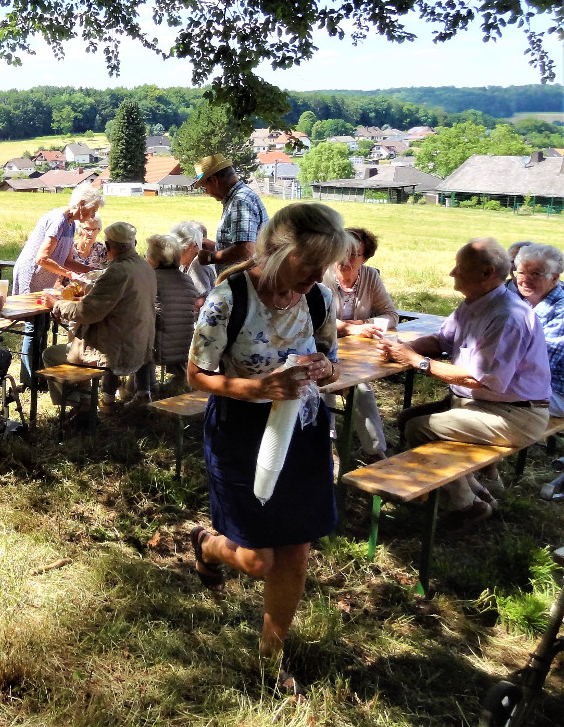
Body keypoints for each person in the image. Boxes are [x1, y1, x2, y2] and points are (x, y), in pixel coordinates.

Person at [187, 202, 349, 700]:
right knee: (259, 560)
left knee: (295, 554)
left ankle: (270, 657)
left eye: (325, 265)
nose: (319, 275)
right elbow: (195, 375)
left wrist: (325, 370)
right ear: (277, 253)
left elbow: (333, 362)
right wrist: (257, 389)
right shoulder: (228, 298)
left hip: (301, 433)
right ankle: (206, 544)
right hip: (241, 432)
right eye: (309, 264)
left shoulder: (320, 298)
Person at [383, 239, 552, 529]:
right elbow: (442, 340)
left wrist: (415, 361)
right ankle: (480, 491)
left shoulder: (507, 316)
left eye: (460, 267)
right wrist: (399, 345)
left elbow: (482, 380)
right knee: (408, 417)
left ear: (486, 273)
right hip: (488, 405)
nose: (451, 272)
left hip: (518, 415)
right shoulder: (476, 302)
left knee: (419, 427)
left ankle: (466, 505)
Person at [42, 222, 156, 413]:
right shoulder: (145, 267)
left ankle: (81, 405)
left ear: (109, 247)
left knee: (51, 354)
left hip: (115, 350)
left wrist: (56, 305)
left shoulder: (117, 271)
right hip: (140, 344)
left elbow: (86, 313)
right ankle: (88, 397)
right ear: (133, 243)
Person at [320, 227, 400, 463]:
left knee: (360, 391)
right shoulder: (321, 275)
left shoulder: (370, 276)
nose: (346, 258)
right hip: (321, 348)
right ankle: (326, 445)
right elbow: (310, 319)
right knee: (326, 388)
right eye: (343, 251)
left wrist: (364, 323)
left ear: (365, 258)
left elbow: (391, 316)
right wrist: (347, 328)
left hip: (355, 355)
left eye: (354, 254)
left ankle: (373, 451)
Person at [12, 184, 105, 385]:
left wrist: (92, 272)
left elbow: (67, 259)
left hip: (44, 277)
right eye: (93, 209)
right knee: (33, 325)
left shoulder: (71, 224)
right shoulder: (58, 220)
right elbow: (42, 258)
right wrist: (69, 274)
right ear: (81, 204)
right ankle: (30, 379)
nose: (93, 214)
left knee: (43, 325)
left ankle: (39, 375)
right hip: (32, 275)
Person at [508, 243, 563, 417]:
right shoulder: (525, 303)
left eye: (535, 274)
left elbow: (540, 362)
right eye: (521, 272)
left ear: (554, 278)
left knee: (480, 395)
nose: (525, 279)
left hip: (556, 393)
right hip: (533, 385)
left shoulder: (561, 311)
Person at [193, 153, 268, 271]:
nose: (207, 192)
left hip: (244, 283)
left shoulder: (239, 202)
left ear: (213, 180)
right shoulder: (239, 198)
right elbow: (242, 244)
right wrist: (216, 247)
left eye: (204, 187)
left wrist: (211, 257)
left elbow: (246, 251)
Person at [145, 233, 198, 398]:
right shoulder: (187, 280)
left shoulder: (151, 279)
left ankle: (142, 390)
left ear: (156, 258)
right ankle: (178, 383)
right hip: (183, 345)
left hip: (158, 347)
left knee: (138, 336)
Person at [171, 219, 216, 306]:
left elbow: (200, 302)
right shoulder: (185, 263)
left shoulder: (198, 266)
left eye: (179, 249)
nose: (175, 253)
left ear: (193, 246)